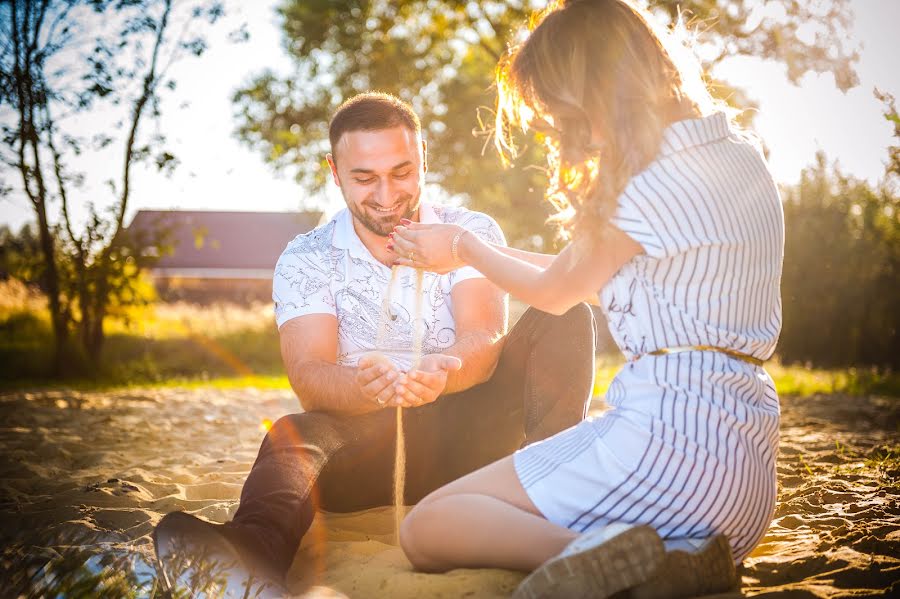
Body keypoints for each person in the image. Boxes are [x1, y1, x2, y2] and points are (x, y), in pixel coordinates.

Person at [393, 1, 783, 598]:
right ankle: (668, 560)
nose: (559, 128)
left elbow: (556, 294)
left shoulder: (647, 178)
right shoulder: (735, 153)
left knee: (427, 527)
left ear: (592, 90)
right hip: (742, 475)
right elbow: (589, 275)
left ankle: (622, 561)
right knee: (457, 514)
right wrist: (473, 249)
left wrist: (465, 247)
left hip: (669, 447)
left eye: (558, 110)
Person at [152, 92, 597, 596]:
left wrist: (442, 373)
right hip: (362, 451)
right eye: (364, 178)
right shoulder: (307, 257)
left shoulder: (469, 231)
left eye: (402, 172)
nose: (387, 194)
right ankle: (251, 551)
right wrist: (365, 384)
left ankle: (559, 503)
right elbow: (310, 374)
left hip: (471, 437)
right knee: (293, 432)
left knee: (564, 314)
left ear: (424, 157)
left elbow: (483, 336)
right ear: (335, 172)